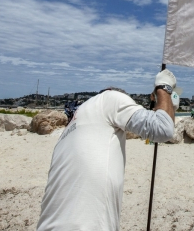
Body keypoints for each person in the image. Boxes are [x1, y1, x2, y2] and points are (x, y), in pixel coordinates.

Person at [36, 69, 178, 231]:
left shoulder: (68, 131)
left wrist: (169, 107)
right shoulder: (110, 98)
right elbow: (162, 129)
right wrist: (164, 87)